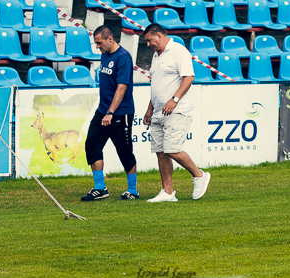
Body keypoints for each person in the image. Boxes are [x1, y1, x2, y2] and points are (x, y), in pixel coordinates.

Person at [143, 24, 211, 203]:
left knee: (172, 149)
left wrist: (175, 99)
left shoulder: (178, 51)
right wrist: (149, 109)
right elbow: (156, 84)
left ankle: (199, 175)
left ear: (159, 36)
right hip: (158, 111)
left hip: (177, 109)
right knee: (160, 151)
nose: (148, 44)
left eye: (150, 40)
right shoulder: (156, 55)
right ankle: (168, 192)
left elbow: (189, 77)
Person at [81, 26, 139, 201]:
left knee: (124, 152)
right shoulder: (104, 54)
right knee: (92, 145)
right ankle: (100, 188)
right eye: (96, 43)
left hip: (120, 113)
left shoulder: (124, 58)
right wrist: (105, 111)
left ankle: (133, 190)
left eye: (99, 43)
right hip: (103, 112)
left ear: (110, 39)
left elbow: (122, 88)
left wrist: (110, 112)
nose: (97, 46)